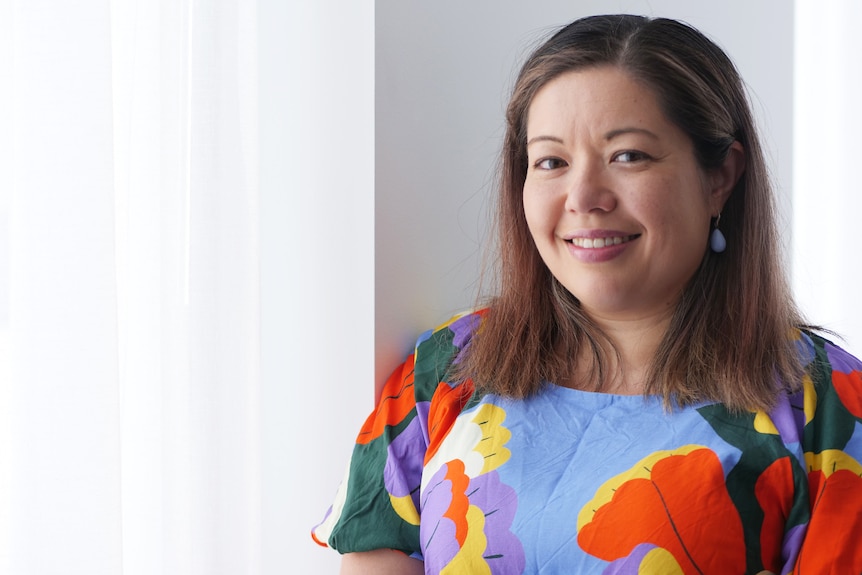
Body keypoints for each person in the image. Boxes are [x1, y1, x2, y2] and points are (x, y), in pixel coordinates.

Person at [312, 14, 862, 574]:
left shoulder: (829, 407)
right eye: (551, 161)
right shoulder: (443, 373)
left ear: (719, 176)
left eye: (628, 156)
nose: (585, 196)